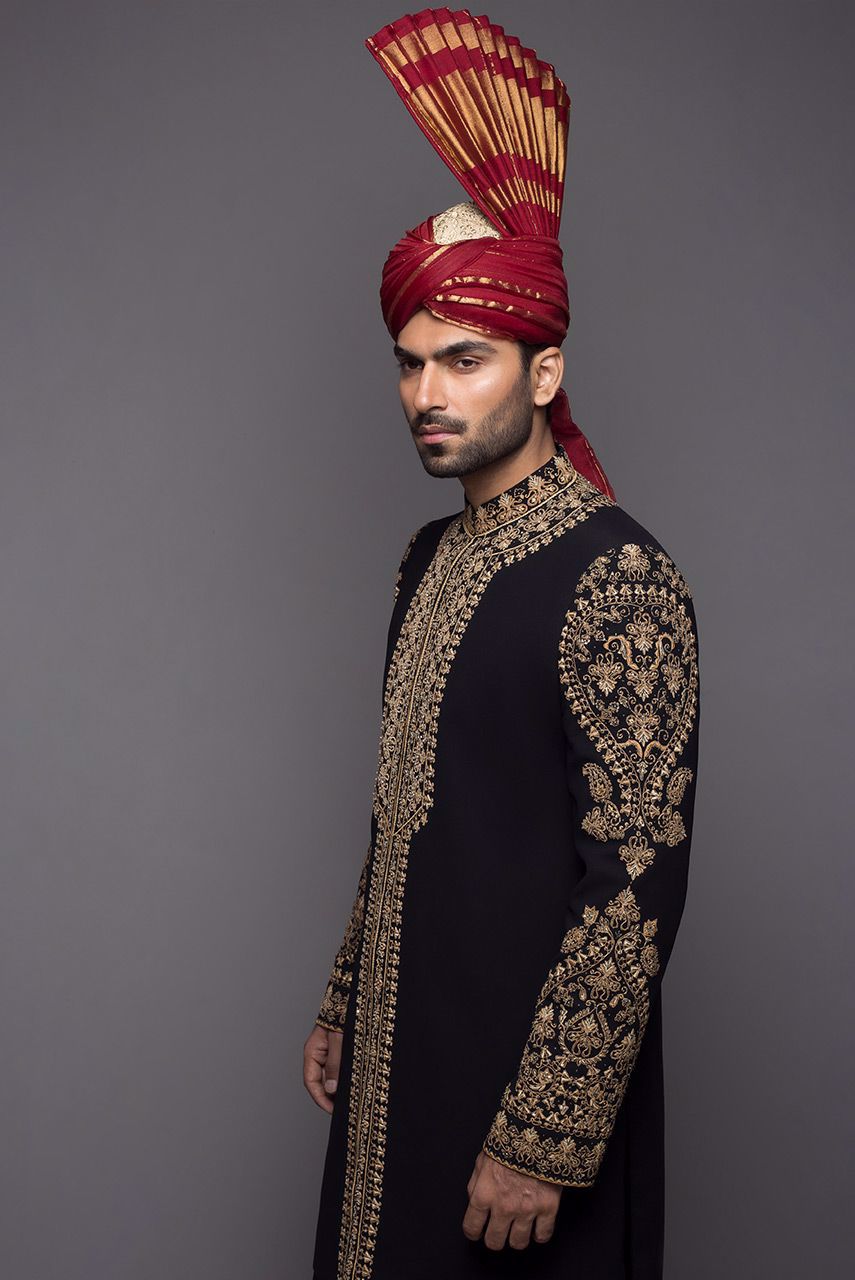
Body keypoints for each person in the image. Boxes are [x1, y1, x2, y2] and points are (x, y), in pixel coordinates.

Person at [304, 10, 700, 1279]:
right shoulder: (426, 558)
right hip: (402, 1056)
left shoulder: (617, 574)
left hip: (518, 1106)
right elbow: (407, 810)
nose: (427, 393)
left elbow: (634, 874)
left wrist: (547, 1136)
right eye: (411, 362)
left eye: (464, 360)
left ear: (543, 372)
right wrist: (347, 992)